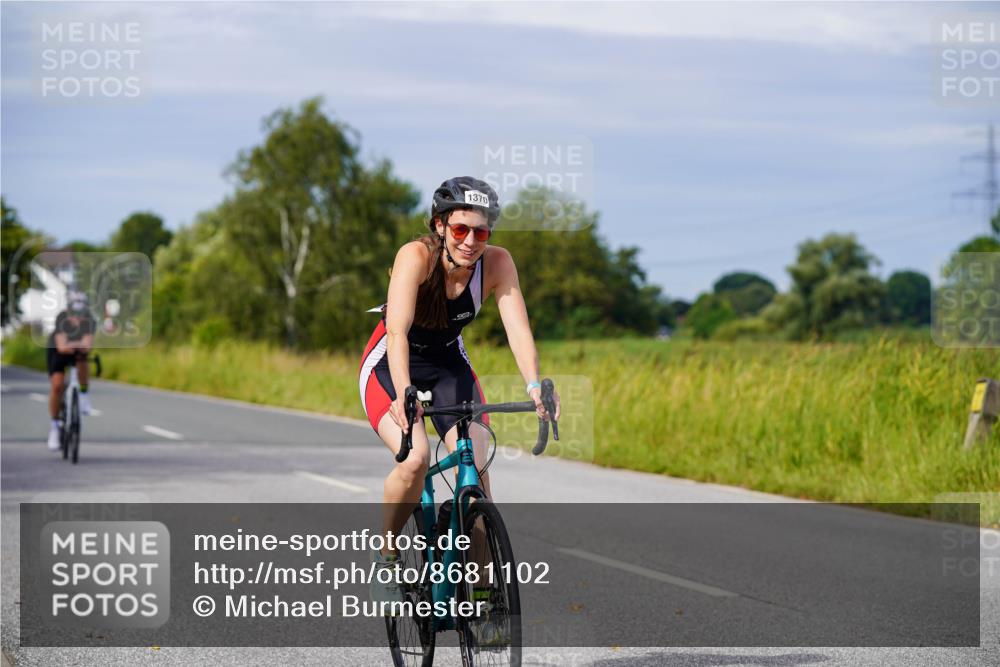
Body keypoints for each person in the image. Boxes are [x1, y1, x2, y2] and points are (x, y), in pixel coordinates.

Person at [358, 177, 561, 605]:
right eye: (460, 230)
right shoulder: (415, 257)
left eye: (481, 231)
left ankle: (487, 599)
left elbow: (518, 330)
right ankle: (388, 555)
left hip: (450, 364)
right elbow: (397, 331)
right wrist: (404, 393)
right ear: (439, 226)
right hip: (393, 364)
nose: (470, 241)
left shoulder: (498, 264)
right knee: (414, 460)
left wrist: (534, 385)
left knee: (479, 473)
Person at [46, 293, 95, 451]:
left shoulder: (89, 319)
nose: (78, 318)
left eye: (81, 314)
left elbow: (87, 346)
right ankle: (54, 426)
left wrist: (75, 344)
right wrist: (77, 343)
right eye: (75, 314)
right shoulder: (62, 318)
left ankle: (84, 394)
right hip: (57, 351)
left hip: (75, 350)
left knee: (83, 359)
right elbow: (62, 347)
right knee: (57, 385)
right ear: (68, 310)